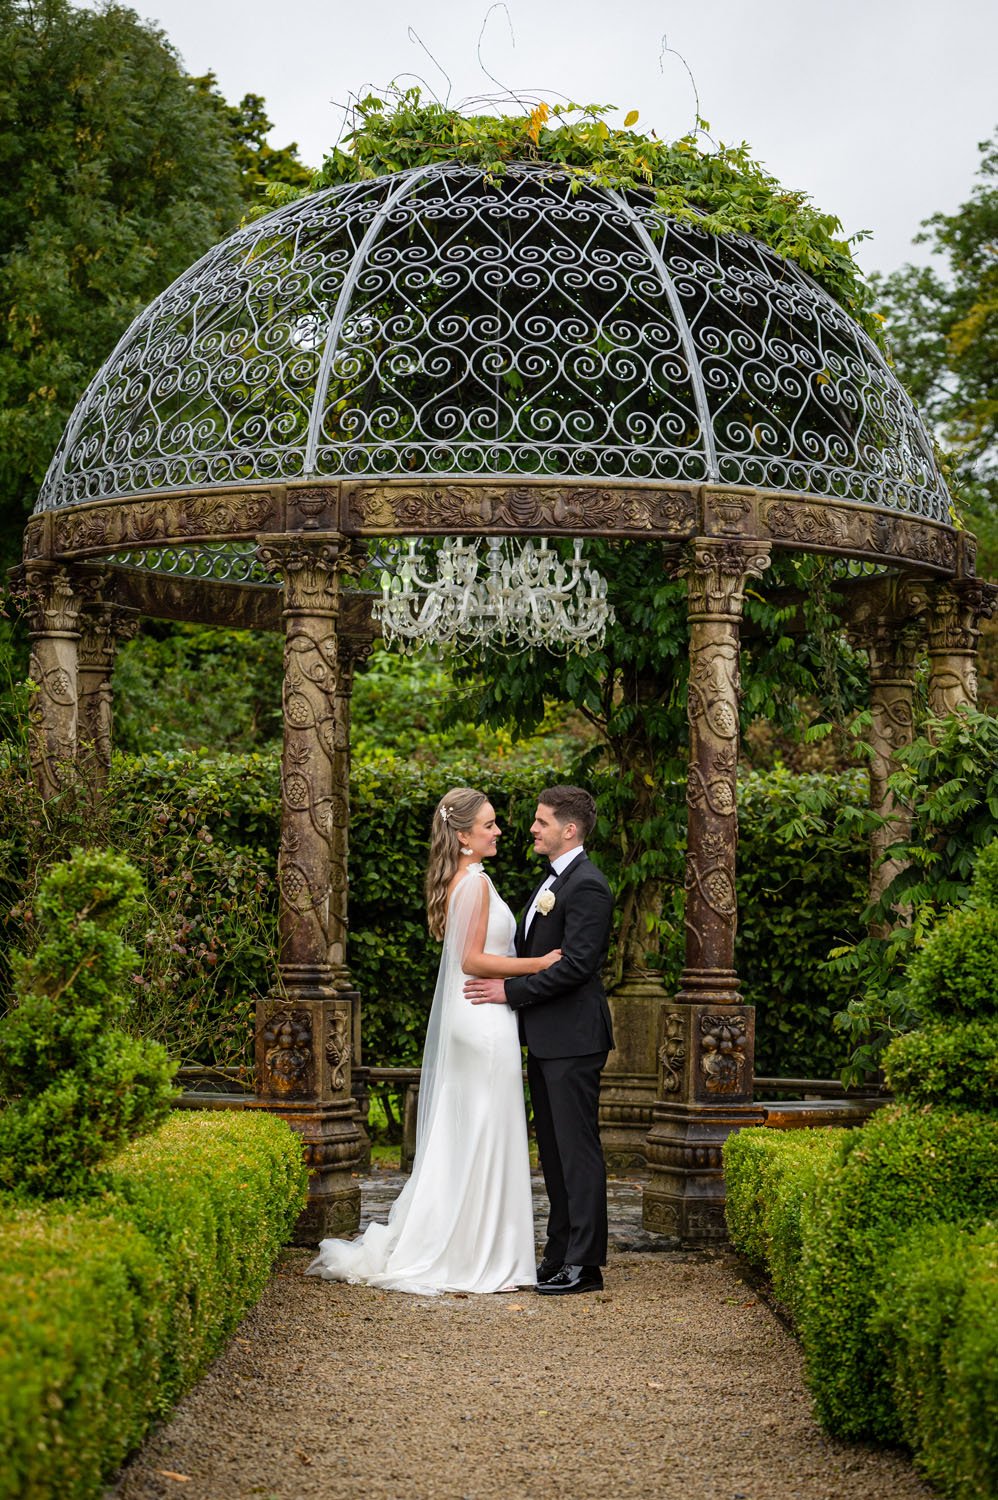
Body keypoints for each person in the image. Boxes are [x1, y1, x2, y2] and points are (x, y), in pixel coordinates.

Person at [306, 787, 561, 1295]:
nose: (498, 831)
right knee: (486, 1130)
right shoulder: (475, 884)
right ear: (463, 836)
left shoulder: (461, 879)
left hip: (476, 1015)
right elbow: (472, 960)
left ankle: (472, 1245)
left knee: (470, 1131)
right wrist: (538, 963)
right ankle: (480, 1254)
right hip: (483, 1017)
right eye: (488, 825)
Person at [465, 785, 614, 1297]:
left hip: (574, 1038)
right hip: (548, 1038)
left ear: (568, 830)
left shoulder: (588, 886)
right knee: (552, 1151)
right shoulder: (553, 880)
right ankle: (558, 1253)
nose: (532, 828)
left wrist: (508, 992)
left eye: (541, 821)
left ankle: (585, 1265)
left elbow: (577, 967)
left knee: (577, 1152)